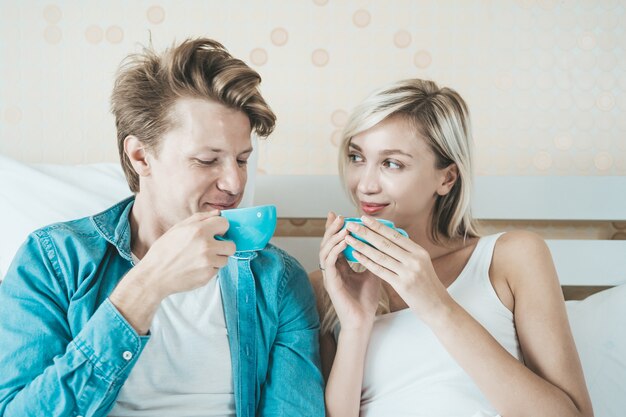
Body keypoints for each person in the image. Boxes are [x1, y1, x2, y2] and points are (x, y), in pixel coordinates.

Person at [0, 38, 324, 417]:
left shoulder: (277, 281)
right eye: (207, 160)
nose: (235, 184)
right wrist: (146, 287)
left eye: (242, 160)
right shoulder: (52, 260)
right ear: (140, 156)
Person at [311, 78, 594, 417]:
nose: (365, 185)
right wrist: (355, 327)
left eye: (392, 163)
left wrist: (436, 305)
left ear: (446, 178)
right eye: (357, 157)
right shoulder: (329, 285)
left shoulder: (511, 258)